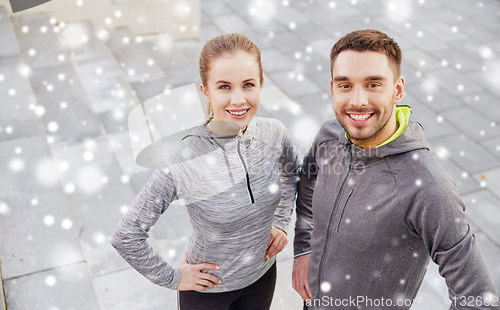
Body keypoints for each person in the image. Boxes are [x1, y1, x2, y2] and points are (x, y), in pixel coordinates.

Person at [292, 29, 499, 310]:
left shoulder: (426, 185)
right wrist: (303, 248)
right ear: (332, 89)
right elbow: (307, 186)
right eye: (345, 85)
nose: (357, 100)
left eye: (373, 84)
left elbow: (478, 298)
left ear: (397, 90)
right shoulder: (329, 136)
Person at [112, 33, 299, 310]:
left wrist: (281, 222)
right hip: (207, 292)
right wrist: (173, 278)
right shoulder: (185, 157)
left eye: (248, 85)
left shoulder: (274, 133)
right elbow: (126, 236)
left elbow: (293, 174)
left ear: (261, 84)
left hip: (261, 279)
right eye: (224, 87)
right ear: (206, 92)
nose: (238, 100)